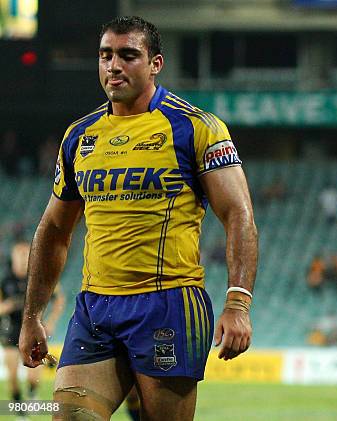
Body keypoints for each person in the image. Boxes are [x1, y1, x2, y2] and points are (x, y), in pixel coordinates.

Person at [18, 16, 258, 421]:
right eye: (105, 55)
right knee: (69, 416)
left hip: (168, 304)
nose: (114, 66)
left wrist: (238, 302)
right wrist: (32, 316)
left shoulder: (195, 128)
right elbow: (55, 229)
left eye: (128, 55)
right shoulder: (80, 135)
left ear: (155, 64)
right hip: (96, 306)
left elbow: (238, 215)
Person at [1, 241, 64, 414]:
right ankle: (20, 411)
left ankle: (32, 394)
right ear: (13, 257)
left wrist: (51, 322)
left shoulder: (40, 277)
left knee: (33, 375)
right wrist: (8, 306)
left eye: (25, 254)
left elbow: (59, 300)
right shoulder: (4, 280)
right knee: (12, 376)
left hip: (34, 331)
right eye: (19, 254)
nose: (22, 258)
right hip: (10, 332)